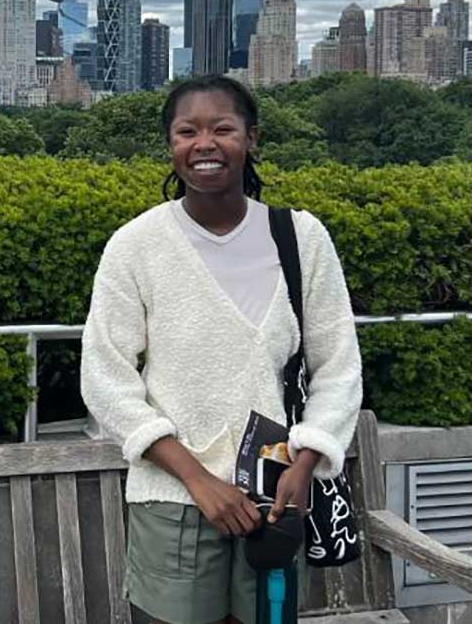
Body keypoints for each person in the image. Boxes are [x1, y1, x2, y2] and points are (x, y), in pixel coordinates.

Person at [80, 75, 364, 624]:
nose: (204, 144)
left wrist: (305, 466)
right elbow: (104, 377)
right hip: (174, 501)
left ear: (251, 139)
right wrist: (196, 478)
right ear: (170, 145)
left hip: (278, 498)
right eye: (187, 131)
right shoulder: (136, 246)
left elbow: (338, 366)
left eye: (223, 129)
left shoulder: (300, 238)